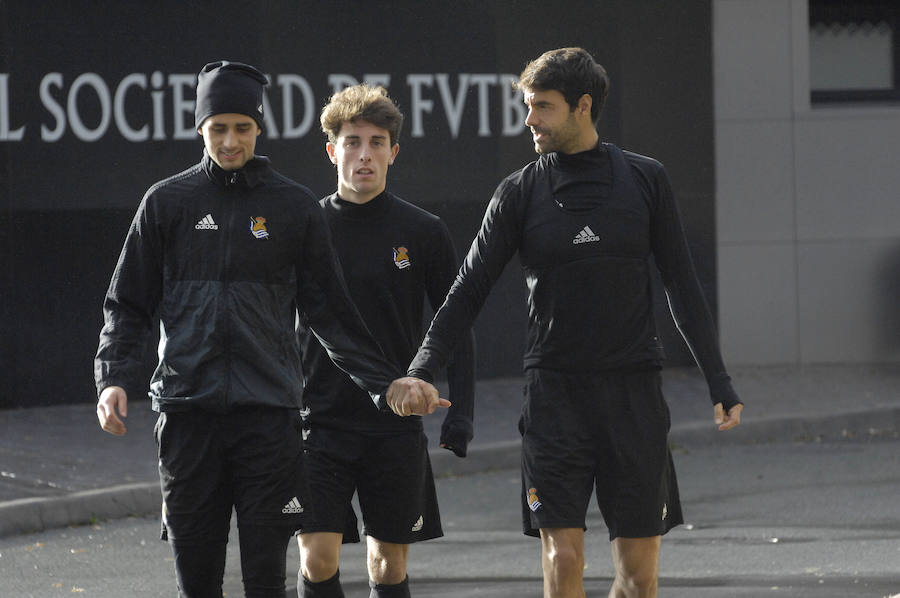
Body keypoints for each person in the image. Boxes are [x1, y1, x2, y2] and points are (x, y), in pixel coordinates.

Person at [389, 47, 745, 598]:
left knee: (638, 576)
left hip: (632, 395)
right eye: (528, 106)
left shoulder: (646, 181)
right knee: (563, 556)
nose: (529, 119)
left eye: (542, 107)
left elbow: (682, 286)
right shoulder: (519, 192)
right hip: (554, 396)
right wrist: (423, 367)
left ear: (583, 107)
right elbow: (467, 289)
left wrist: (718, 381)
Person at [94, 61, 443, 598]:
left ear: (259, 129)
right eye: (218, 128)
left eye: (242, 128)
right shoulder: (166, 203)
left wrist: (386, 383)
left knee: (265, 581)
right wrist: (114, 376)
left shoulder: (293, 207)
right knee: (197, 581)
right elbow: (128, 302)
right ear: (199, 129)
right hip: (187, 416)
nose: (230, 141)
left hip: (271, 422)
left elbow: (332, 315)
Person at [294, 84, 476, 598]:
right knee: (317, 554)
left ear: (394, 153)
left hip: (394, 426)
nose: (364, 154)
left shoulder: (423, 231)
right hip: (318, 420)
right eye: (352, 142)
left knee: (387, 566)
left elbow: (455, 322)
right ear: (332, 151)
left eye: (377, 142)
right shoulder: (306, 229)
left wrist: (460, 415)